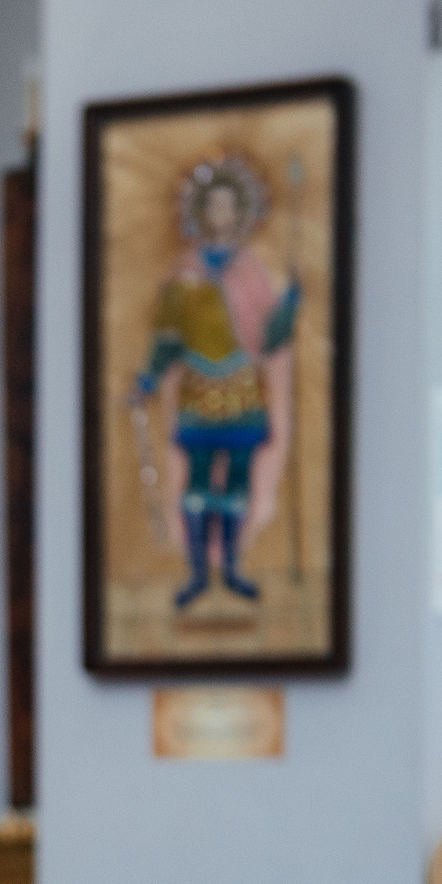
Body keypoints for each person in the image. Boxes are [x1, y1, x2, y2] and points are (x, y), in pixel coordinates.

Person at [132, 156, 299, 610]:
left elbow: (268, 335)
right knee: (199, 483)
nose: (220, 215)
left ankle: (232, 569)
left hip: (242, 386)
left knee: (238, 481)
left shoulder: (250, 270)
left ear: (240, 214)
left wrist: (288, 308)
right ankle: (197, 575)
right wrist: (148, 377)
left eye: (229, 207)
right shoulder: (185, 273)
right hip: (199, 390)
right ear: (201, 213)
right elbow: (168, 337)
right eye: (213, 206)